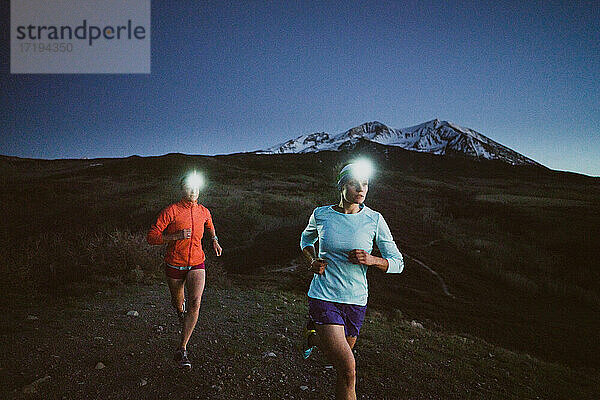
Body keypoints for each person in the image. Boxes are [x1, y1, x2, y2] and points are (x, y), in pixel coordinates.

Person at [300, 161, 404, 400]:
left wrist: (372, 260)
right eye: (354, 183)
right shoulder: (321, 214)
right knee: (349, 369)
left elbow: (397, 262)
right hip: (324, 295)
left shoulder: (375, 219)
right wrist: (311, 260)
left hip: (356, 300)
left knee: (341, 369)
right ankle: (316, 333)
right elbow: (305, 241)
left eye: (365, 184)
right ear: (341, 186)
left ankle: (313, 336)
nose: (361, 188)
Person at [147, 171, 222, 369]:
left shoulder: (204, 211)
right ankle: (180, 309)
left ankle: (182, 348)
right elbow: (152, 236)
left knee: (195, 303)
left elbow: (210, 224)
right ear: (182, 189)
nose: (193, 191)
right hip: (175, 263)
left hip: (197, 262)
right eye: (189, 187)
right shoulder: (171, 211)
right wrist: (175, 236)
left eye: (196, 187)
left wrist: (214, 240)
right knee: (177, 301)